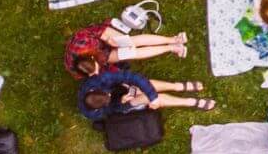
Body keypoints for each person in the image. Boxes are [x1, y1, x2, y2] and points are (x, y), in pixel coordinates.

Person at [63, 21, 187, 80]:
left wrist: (108, 39)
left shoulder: (83, 40)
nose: (96, 72)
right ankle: (171, 48)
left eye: (96, 69)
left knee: (130, 42)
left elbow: (95, 31)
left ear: (91, 57)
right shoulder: (76, 71)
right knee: (132, 53)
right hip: (101, 53)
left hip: (98, 36)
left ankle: (173, 39)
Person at [78, 68, 214, 119]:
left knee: (146, 86)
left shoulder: (98, 80)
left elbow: (133, 77)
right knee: (150, 98)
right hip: (122, 103)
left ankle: (178, 86)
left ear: (94, 89)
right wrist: (121, 102)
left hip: (120, 88)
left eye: (106, 94)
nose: (108, 95)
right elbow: (113, 110)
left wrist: (125, 87)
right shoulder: (92, 113)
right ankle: (191, 102)